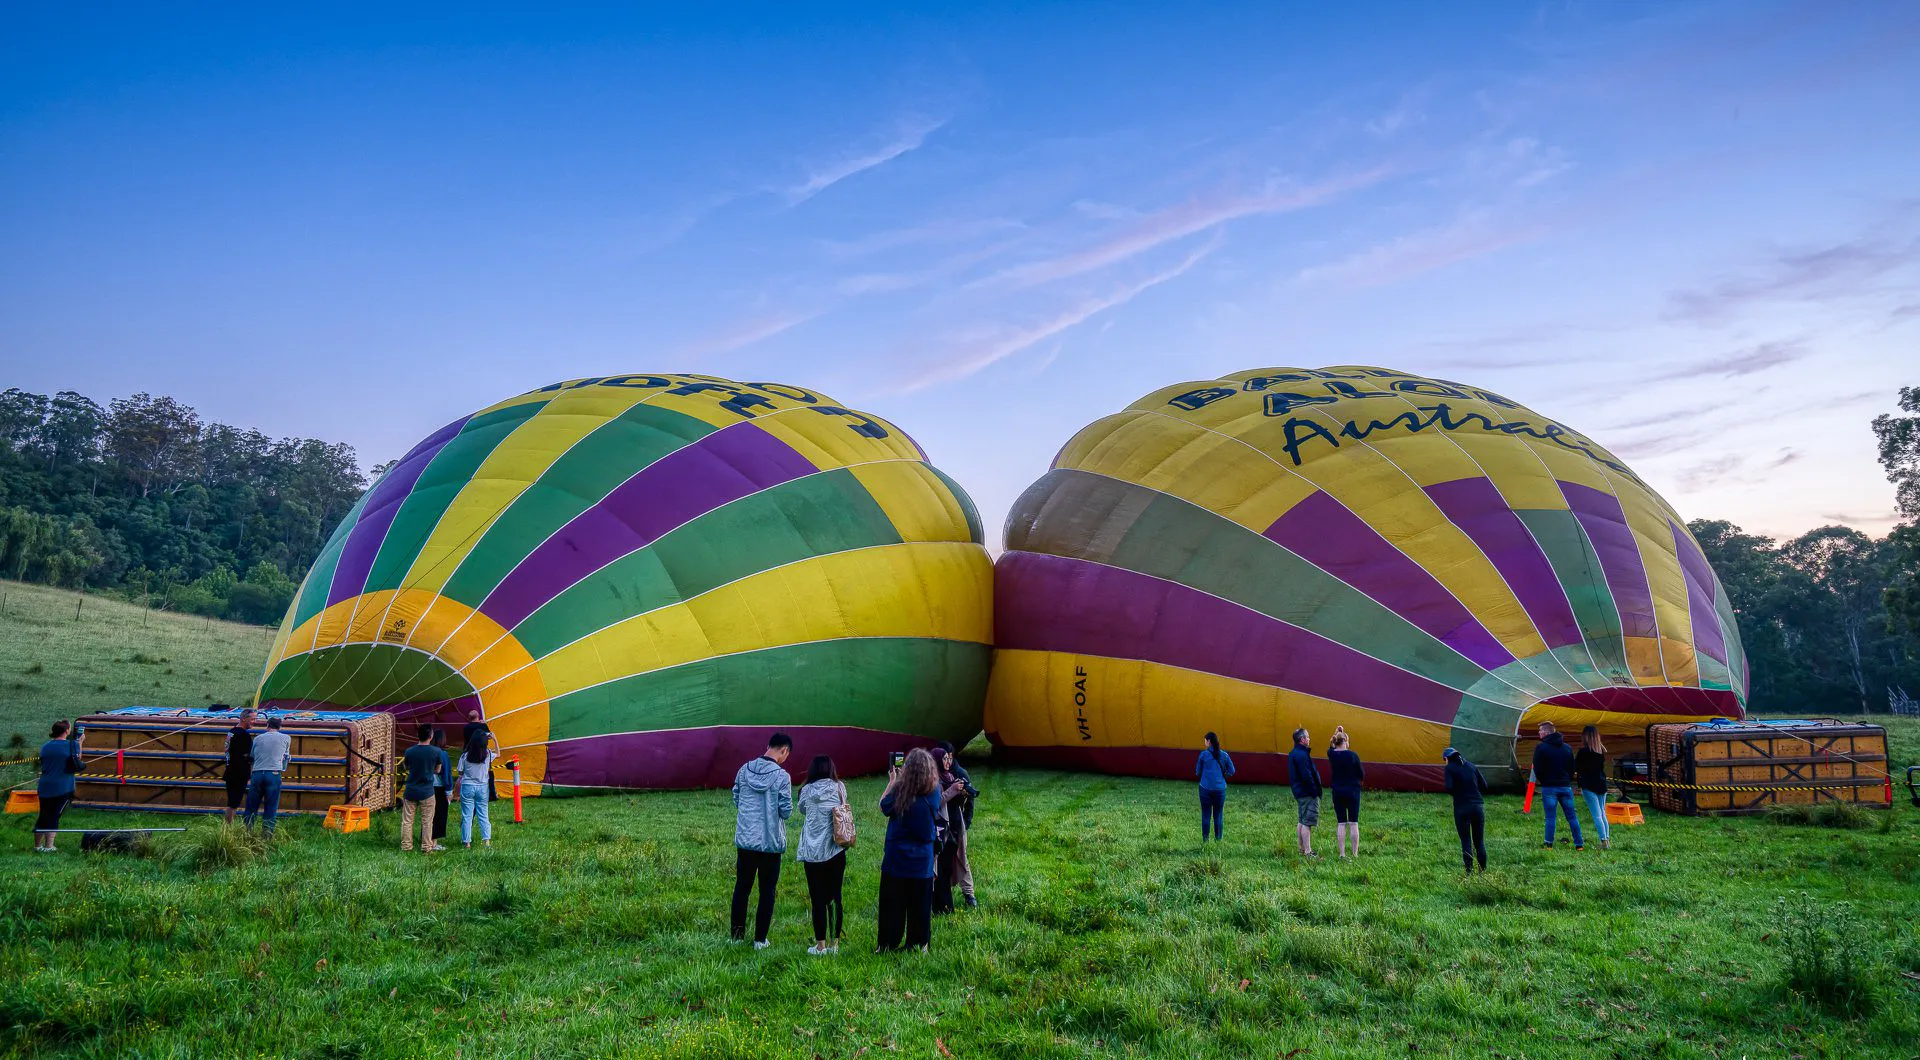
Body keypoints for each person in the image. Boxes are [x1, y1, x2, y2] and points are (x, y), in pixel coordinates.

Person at [731, 732, 794, 949]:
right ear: (784, 750)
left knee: (742, 888)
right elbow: (785, 812)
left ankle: (736, 937)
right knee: (767, 891)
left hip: (746, 840)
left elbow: (736, 798)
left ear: (768, 745)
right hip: (770, 843)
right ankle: (760, 940)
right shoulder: (782, 777)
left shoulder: (743, 769)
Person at [877, 747, 940, 952]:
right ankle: (919, 944)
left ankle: (887, 944)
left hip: (897, 856)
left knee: (892, 903)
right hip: (923, 858)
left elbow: (883, 807)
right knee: (920, 905)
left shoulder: (900, 791)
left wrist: (893, 781)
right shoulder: (934, 790)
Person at [795, 755, 848, 955]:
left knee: (817, 899)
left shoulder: (806, 791)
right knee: (835, 897)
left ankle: (820, 945)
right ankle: (835, 945)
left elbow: (802, 810)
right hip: (835, 848)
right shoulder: (839, 787)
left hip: (812, 851)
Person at [935, 740, 980, 909]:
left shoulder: (959, 773)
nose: (947, 761)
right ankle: (939, 896)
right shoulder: (934, 777)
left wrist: (967, 821)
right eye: (944, 758)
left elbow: (969, 803)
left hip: (956, 821)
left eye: (949, 758)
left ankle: (969, 894)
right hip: (942, 823)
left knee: (962, 857)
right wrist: (953, 790)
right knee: (940, 860)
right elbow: (935, 802)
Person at [1530, 721, 1583, 850]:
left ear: (1547, 732)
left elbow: (1537, 767)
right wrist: (1567, 780)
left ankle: (1548, 844)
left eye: (1541, 730)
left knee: (1550, 817)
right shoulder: (1567, 748)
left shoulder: (1541, 747)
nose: (1539, 733)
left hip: (1549, 787)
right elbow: (1572, 767)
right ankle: (1579, 844)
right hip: (1565, 786)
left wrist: (1544, 781)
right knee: (1572, 817)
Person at [33, 720, 84, 852]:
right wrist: (80, 742)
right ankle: (49, 846)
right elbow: (77, 761)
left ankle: (37, 846)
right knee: (54, 815)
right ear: (66, 731)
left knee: (44, 814)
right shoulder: (72, 745)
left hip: (45, 786)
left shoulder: (45, 746)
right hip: (63, 786)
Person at [242, 715, 293, 837]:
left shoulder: (258, 738)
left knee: (251, 805)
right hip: (274, 773)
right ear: (280, 727)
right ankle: (267, 835)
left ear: (267, 725)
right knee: (271, 806)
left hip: (257, 773)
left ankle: (246, 832)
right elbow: (285, 755)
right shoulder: (286, 738)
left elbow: (252, 756)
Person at [1443, 747, 1490, 873]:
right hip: (1478, 806)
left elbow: (1449, 787)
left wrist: (1458, 793)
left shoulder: (1449, 768)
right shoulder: (1472, 766)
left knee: (1466, 840)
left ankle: (1468, 872)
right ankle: (1482, 872)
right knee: (1479, 841)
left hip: (1462, 807)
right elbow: (1485, 786)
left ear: (1447, 758)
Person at [399, 725, 445, 853]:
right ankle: (426, 847)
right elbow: (438, 770)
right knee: (427, 821)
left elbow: (406, 766)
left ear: (417, 736)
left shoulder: (409, 751)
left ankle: (406, 847)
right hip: (427, 791)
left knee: (407, 821)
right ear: (431, 736)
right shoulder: (436, 752)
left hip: (410, 790)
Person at [1327, 727, 1364, 858]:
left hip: (1337, 791)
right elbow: (1361, 774)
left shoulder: (1332, 755)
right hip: (1353, 791)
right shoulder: (1353, 756)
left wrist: (1336, 732)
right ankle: (1354, 854)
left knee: (1341, 823)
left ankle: (1342, 854)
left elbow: (1330, 747)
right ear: (1346, 741)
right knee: (1353, 823)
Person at [1286, 727, 1322, 858]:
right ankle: (1308, 851)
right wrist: (1314, 791)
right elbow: (1307, 775)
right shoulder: (1302, 755)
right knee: (1307, 822)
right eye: (1307, 737)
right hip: (1307, 793)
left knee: (1301, 820)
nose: (1309, 739)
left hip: (1299, 792)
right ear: (1302, 739)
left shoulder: (1293, 753)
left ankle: (1301, 848)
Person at [1576, 725, 1612, 851]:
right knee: (1602, 813)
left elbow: (1578, 768)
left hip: (1589, 785)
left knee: (1596, 815)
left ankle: (1603, 842)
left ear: (1585, 736)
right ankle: (1607, 839)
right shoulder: (1601, 750)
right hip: (1601, 784)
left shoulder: (1583, 752)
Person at [1195, 731, 1235, 842]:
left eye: (1205, 740)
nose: (1204, 743)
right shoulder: (1224, 755)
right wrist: (1223, 776)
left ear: (1208, 741)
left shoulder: (1203, 755)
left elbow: (1198, 771)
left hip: (1205, 789)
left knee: (1206, 815)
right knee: (1218, 815)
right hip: (1220, 789)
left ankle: (1205, 840)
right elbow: (1232, 771)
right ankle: (1218, 840)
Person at [458, 731, 495, 849]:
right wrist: (494, 739)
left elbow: (460, 772)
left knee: (467, 815)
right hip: (482, 787)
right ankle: (486, 841)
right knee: (483, 814)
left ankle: (467, 842)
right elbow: (498, 753)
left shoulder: (465, 755)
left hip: (467, 786)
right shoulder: (488, 754)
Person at [221, 706, 255, 825]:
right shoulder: (244, 735)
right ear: (244, 719)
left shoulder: (232, 732)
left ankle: (227, 827)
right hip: (239, 772)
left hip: (230, 770)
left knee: (232, 802)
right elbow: (248, 755)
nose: (254, 722)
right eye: (252, 719)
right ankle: (228, 828)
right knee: (234, 802)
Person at [430, 728, 452, 851]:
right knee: (439, 815)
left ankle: (426, 840)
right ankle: (434, 843)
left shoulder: (428, 752)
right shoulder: (443, 754)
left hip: (427, 787)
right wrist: (449, 791)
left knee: (428, 815)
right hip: (439, 788)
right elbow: (446, 773)